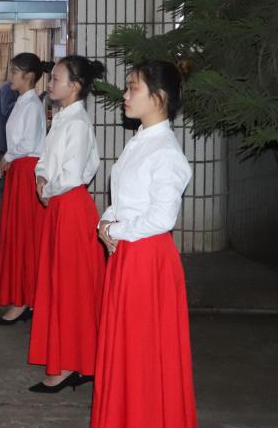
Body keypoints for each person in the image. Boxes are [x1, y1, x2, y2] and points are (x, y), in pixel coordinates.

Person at [91, 61, 196, 427]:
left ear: (159, 97)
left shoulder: (166, 152)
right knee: (126, 347)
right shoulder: (141, 139)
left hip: (148, 259)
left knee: (143, 351)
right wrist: (106, 221)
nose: (125, 94)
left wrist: (115, 230)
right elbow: (124, 197)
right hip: (129, 254)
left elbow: (162, 218)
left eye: (133, 88)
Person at [27, 55, 106, 393]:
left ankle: (71, 363)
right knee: (61, 285)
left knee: (71, 289)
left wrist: (48, 188)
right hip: (61, 206)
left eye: (56, 79)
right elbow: (47, 160)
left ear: (74, 86)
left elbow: (72, 176)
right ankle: (74, 360)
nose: (50, 83)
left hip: (72, 208)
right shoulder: (62, 118)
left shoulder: (77, 124)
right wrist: (41, 177)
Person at [0, 53, 53, 326]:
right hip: (20, 169)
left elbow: (27, 143)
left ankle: (25, 300)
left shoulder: (31, 105)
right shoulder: (23, 101)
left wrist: (8, 156)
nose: (11, 77)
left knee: (24, 237)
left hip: (27, 170)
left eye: (15, 72)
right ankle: (25, 298)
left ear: (28, 76)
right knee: (18, 235)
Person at [0, 80, 20, 154]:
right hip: (3, 144)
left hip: (9, 144)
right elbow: (7, 111)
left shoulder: (17, 90)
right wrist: (25, 102)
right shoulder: (7, 87)